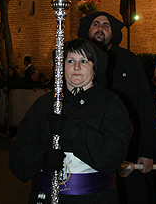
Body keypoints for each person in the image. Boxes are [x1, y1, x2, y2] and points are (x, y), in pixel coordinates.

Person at [9, 38, 132, 204]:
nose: (76, 67)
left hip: (94, 199)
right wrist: (40, 159)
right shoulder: (44, 104)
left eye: (84, 61)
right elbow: (17, 159)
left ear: (95, 68)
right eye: (70, 61)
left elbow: (113, 155)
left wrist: (69, 131)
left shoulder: (110, 104)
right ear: (61, 66)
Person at [78, 11, 156, 204]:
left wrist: (147, 150)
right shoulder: (75, 61)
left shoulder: (129, 61)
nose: (100, 28)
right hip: (85, 148)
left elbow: (144, 105)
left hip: (126, 149)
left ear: (113, 32)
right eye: (96, 24)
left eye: (106, 26)